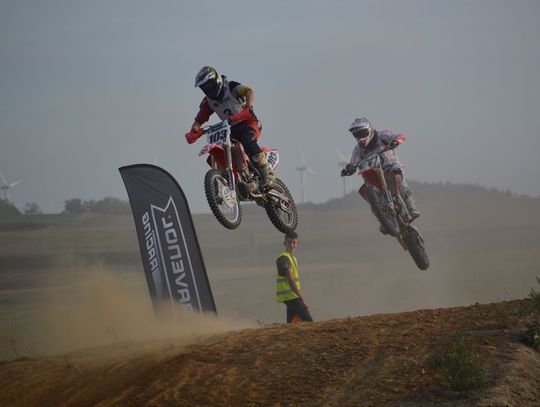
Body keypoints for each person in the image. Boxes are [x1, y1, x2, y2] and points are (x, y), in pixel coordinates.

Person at [185, 66, 275, 187]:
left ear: (217, 80)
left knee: (247, 140)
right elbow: (199, 119)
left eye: (210, 85)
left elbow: (249, 91)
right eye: (205, 88)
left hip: (249, 122)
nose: (208, 89)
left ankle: (267, 173)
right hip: (230, 130)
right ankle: (237, 179)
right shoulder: (208, 101)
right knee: (224, 149)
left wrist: (248, 106)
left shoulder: (231, 86)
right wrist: (195, 130)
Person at [340, 116, 420, 230]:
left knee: (399, 180)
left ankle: (412, 208)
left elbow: (400, 136)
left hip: (391, 167)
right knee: (368, 195)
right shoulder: (357, 150)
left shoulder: (383, 135)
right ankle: (383, 220)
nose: (360, 136)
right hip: (373, 175)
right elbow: (353, 162)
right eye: (357, 134)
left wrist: (396, 141)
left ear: (369, 129)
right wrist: (349, 169)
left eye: (362, 132)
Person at [276, 231, 313, 323]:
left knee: (291, 322)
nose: (292, 245)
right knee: (308, 320)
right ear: (284, 243)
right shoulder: (283, 258)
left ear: (297, 243)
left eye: (294, 242)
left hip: (291, 295)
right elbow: (291, 280)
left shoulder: (293, 258)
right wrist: (300, 298)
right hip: (290, 295)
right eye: (289, 242)